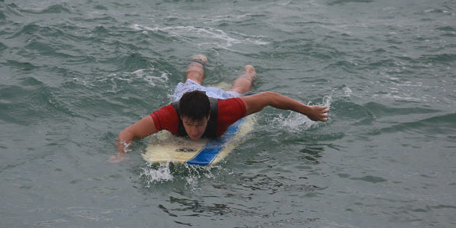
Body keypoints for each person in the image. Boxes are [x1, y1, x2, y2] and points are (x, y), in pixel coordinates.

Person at [113, 55, 329, 160]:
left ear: (208, 117)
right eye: (189, 125)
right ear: (182, 119)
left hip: (217, 98)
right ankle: (198, 60)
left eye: (200, 125)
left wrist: (307, 110)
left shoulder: (226, 110)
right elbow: (129, 132)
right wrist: (121, 154)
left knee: (239, 89)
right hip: (188, 98)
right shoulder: (169, 115)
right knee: (193, 79)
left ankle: (250, 71)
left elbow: (267, 98)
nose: (195, 131)